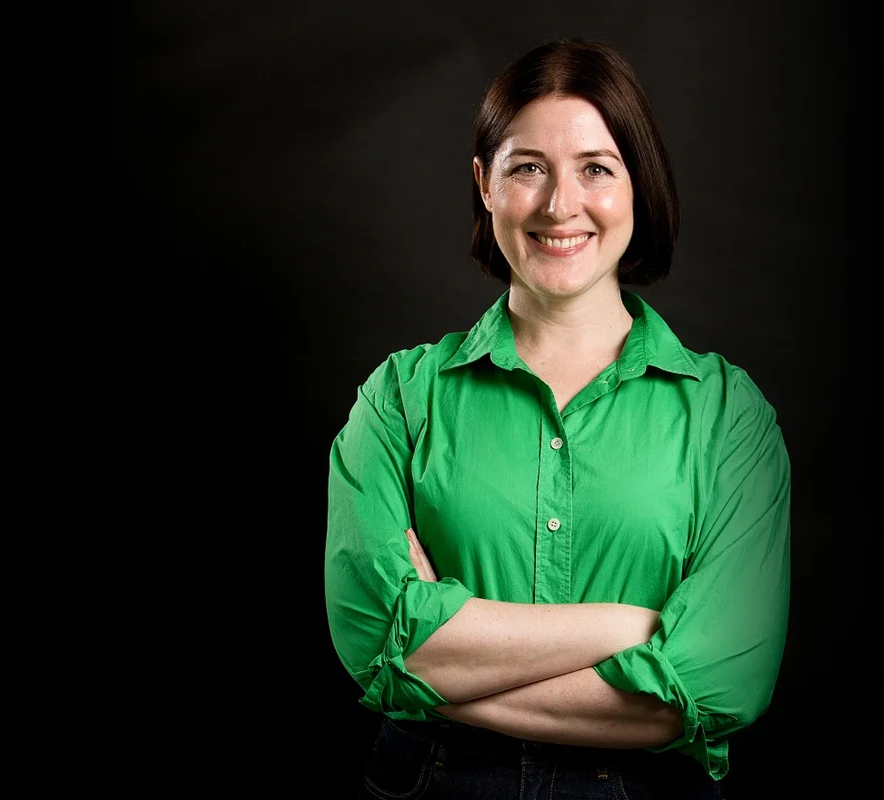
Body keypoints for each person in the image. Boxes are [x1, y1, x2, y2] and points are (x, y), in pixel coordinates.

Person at [324, 37, 790, 799]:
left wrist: (433, 667)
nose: (558, 205)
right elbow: (368, 636)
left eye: (595, 168)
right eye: (527, 168)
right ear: (484, 183)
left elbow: (719, 684)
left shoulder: (725, 414)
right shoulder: (399, 398)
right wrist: (630, 627)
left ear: (638, 183)